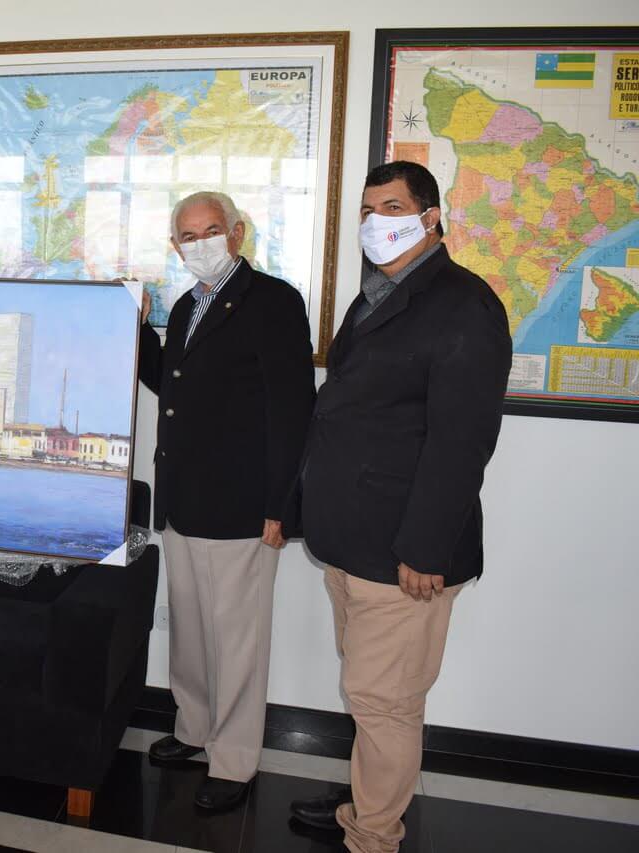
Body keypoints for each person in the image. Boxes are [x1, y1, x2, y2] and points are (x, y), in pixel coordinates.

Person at [288, 162, 512, 852]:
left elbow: (461, 442)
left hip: (403, 553)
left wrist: (425, 548)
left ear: (431, 218)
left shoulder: (464, 305)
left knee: (384, 702)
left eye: (391, 208)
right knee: (371, 694)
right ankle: (367, 801)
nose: (375, 222)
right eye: (367, 210)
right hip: (352, 540)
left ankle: (373, 835)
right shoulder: (378, 293)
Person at [138, 191, 315, 811]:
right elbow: (172, 384)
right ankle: (194, 728)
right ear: (176, 246)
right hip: (185, 500)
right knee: (189, 630)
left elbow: (293, 408)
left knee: (236, 640)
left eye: (211, 230)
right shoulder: (189, 304)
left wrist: (281, 505)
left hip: (243, 506)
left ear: (237, 233)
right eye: (188, 235)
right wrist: (137, 328)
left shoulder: (273, 301)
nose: (201, 243)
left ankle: (234, 761)